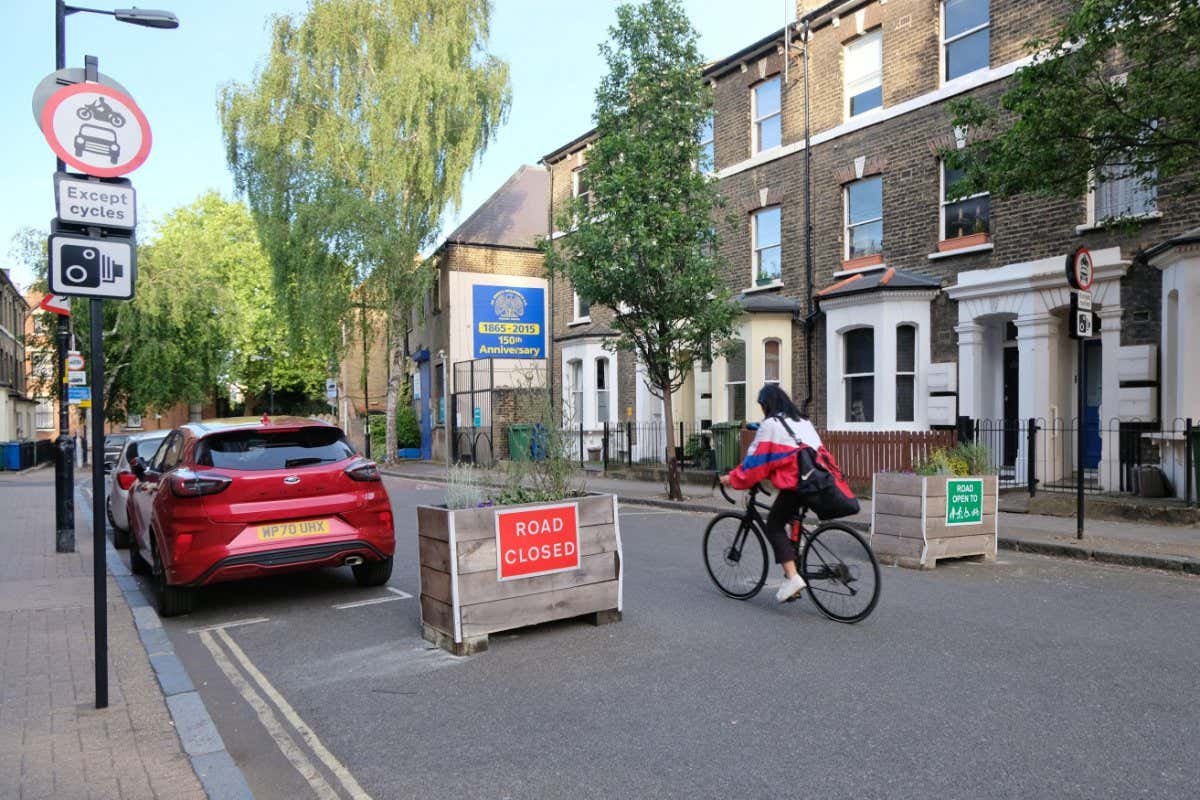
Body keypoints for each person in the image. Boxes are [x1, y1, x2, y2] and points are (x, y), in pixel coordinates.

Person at [720, 384, 824, 603]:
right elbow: (787, 455)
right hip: (818, 480)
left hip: (798, 483)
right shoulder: (803, 421)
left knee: (774, 525)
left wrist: (733, 478)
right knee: (790, 518)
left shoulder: (771, 424)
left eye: (762, 407)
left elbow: (755, 462)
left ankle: (794, 577)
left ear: (767, 405)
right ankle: (793, 570)